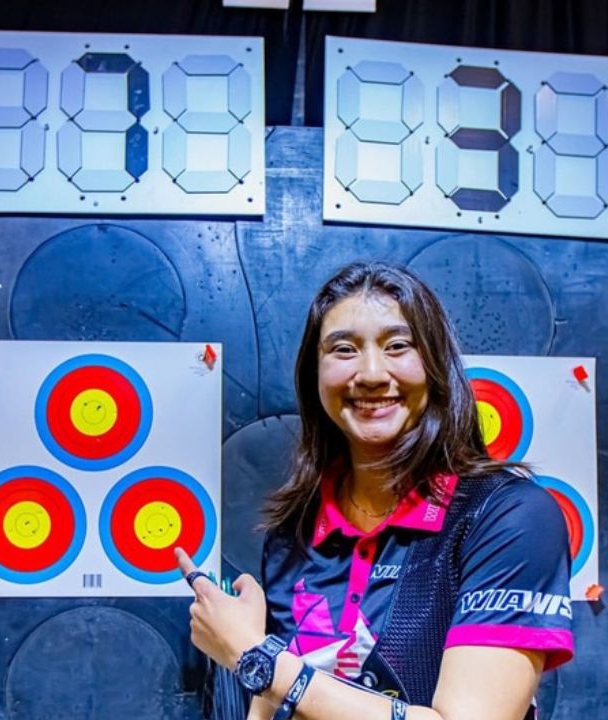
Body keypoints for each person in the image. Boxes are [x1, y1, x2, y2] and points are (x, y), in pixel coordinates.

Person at [176, 261, 574, 720]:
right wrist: (252, 658)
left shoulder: (508, 517)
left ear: (435, 364)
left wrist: (255, 655)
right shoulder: (291, 537)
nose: (370, 373)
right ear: (314, 374)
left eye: (398, 345)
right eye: (343, 349)